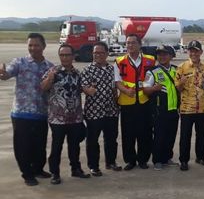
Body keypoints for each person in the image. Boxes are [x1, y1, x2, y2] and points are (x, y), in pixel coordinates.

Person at [0, 33, 53, 186]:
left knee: (40, 145)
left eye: (36, 45)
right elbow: (7, 73)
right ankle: (27, 174)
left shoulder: (49, 67)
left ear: (43, 46)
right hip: (21, 113)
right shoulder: (20, 62)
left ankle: (37, 169)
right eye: (30, 45)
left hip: (41, 113)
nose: (33, 48)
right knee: (23, 145)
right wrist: (3, 74)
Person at [41, 44, 90, 185]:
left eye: (67, 55)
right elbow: (43, 88)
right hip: (58, 119)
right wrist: (49, 79)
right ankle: (55, 173)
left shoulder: (77, 73)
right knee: (57, 146)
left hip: (75, 117)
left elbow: (83, 89)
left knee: (74, 146)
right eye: (62, 55)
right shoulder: (53, 71)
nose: (64, 58)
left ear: (73, 56)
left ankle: (76, 169)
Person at [114, 34, 156, 171]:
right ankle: (130, 160)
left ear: (139, 44)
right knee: (128, 134)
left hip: (145, 102)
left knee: (145, 133)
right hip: (127, 102)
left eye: (133, 43)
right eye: (127, 43)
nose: (130, 45)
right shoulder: (119, 61)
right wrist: (125, 91)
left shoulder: (150, 60)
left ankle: (143, 159)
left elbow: (154, 78)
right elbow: (117, 81)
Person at [81, 42, 121, 176]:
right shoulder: (87, 70)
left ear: (107, 54)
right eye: (95, 53)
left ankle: (111, 162)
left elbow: (115, 87)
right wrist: (88, 90)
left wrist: (117, 101)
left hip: (111, 110)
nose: (97, 55)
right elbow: (84, 88)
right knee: (92, 140)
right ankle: (93, 166)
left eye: (100, 53)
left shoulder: (112, 69)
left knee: (111, 138)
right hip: (94, 111)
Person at [176, 40, 204, 171]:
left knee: (202, 134)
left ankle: (201, 157)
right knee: (185, 136)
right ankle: (184, 160)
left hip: (203, 107)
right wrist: (181, 83)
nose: (193, 53)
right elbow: (178, 90)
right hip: (187, 108)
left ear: (201, 52)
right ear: (188, 52)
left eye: (196, 50)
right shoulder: (181, 67)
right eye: (191, 50)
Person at [143, 45, 179, 171]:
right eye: (159, 54)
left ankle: (167, 158)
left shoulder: (176, 70)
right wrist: (154, 88)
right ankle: (157, 160)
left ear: (171, 56)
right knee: (159, 136)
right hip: (159, 110)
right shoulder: (152, 72)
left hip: (174, 109)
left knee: (171, 135)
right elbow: (145, 89)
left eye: (165, 54)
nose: (162, 57)